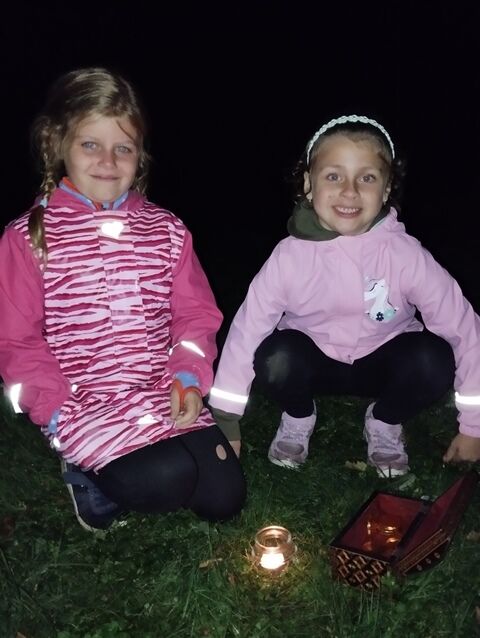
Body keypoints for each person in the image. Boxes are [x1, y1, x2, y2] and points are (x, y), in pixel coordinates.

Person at [0, 67, 246, 531]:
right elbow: (17, 342)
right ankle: (84, 472)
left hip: (160, 389)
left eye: (123, 148)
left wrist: (188, 378)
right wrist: (55, 410)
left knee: (225, 496)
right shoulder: (27, 238)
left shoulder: (167, 231)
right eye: (90, 144)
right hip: (82, 403)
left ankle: (142, 459)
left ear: (140, 154)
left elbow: (195, 316)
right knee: (167, 477)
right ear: (57, 143)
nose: (108, 161)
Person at [209, 114, 480, 476]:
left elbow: (464, 328)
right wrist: (226, 420)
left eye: (367, 178)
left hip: (383, 363)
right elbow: (247, 331)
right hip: (313, 363)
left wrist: (474, 427)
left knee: (433, 360)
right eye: (333, 176)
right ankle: (298, 415)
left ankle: (385, 420)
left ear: (386, 189)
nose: (350, 191)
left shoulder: (406, 255)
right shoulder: (288, 257)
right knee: (275, 357)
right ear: (309, 184)